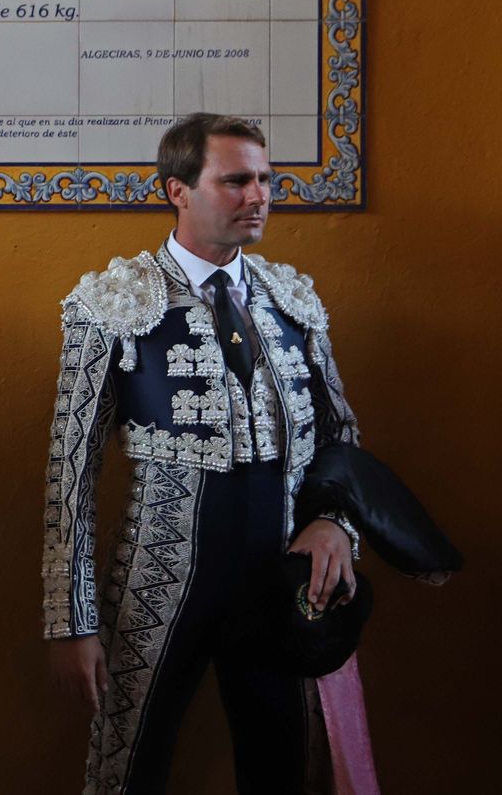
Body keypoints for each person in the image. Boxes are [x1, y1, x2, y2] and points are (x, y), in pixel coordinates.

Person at [41, 113, 365, 793]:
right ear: (177, 190)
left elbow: (340, 435)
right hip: (160, 579)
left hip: (285, 577)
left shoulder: (291, 299)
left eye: (267, 180)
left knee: (286, 767)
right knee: (127, 770)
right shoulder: (113, 301)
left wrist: (336, 521)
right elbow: (71, 467)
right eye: (237, 180)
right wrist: (72, 620)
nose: (259, 196)